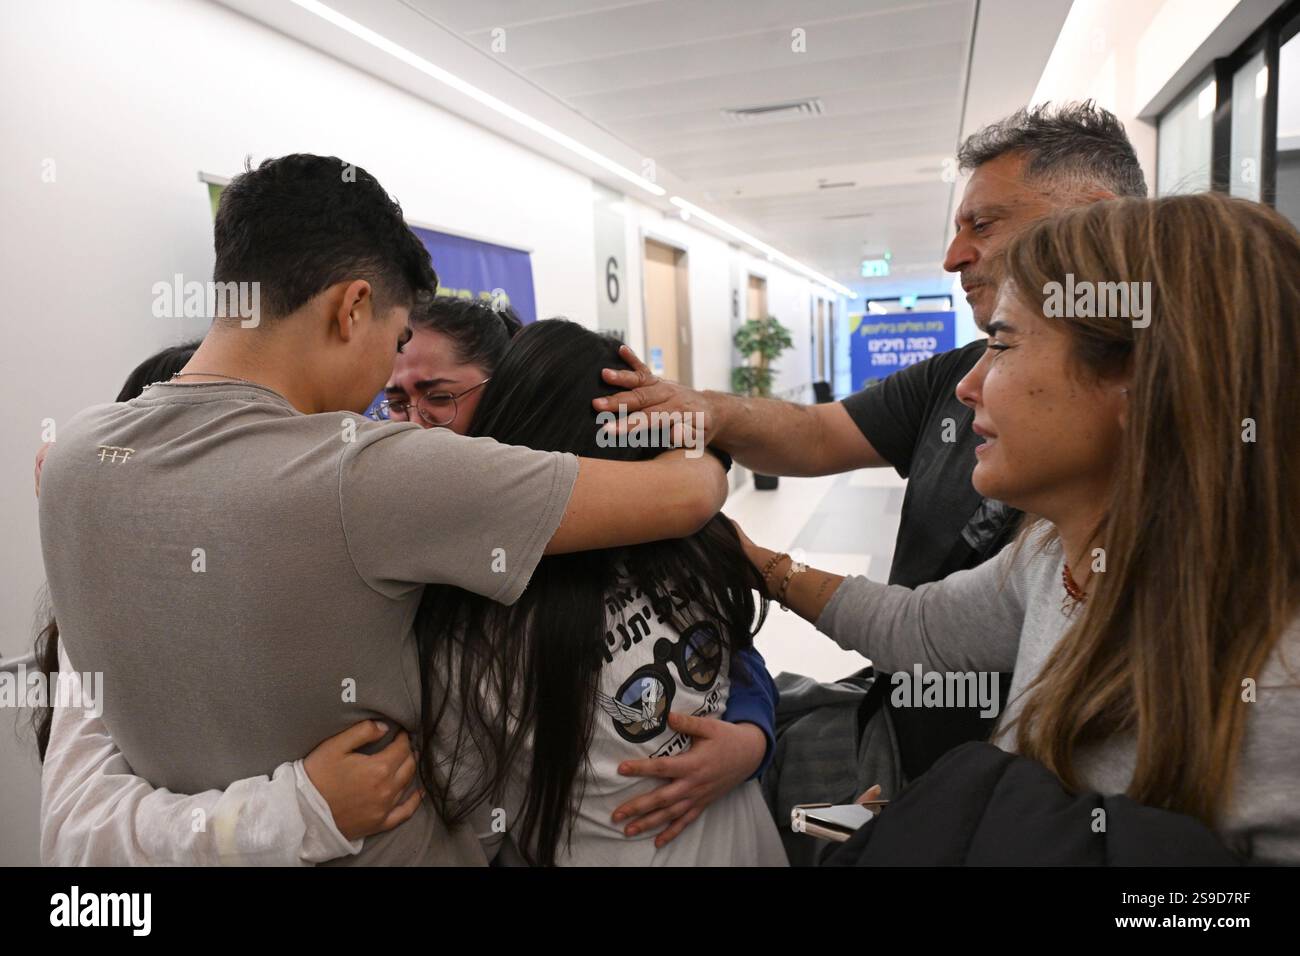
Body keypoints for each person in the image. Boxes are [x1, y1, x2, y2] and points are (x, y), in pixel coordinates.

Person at [37, 153, 729, 867]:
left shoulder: (70, 460)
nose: (388, 394)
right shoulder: (369, 472)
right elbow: (691, 496)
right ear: (353, 306)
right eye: (396, 342)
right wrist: (700, 427)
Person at [735, 193, 1300, 863]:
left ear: (1139, 378)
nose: (968, 386)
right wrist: (757, 564)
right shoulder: (1056, 556)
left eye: (1000, 345)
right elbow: (919, 629)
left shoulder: (1277, 680)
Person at [597, 101, 1150, 779]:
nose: (953, 257)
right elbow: (913, 622)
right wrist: (709, 426)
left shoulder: (1223, 629)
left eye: (983, 224)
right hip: (920, 758)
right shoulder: (1041, 566)